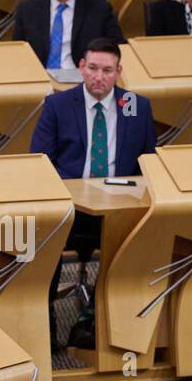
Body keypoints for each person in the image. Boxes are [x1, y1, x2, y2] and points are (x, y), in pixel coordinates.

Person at [30, 38, 155, 345]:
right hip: (71, 210)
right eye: (93, 68)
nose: (99, 77)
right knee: (41, 237)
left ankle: (94, 317)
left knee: (150, 239)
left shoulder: (135, 106)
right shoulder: (58, 105)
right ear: (82, 68)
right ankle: (46, 317)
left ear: (119, 72)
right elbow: (41, 162)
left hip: (119, 208)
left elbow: (149, 164)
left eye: (108, 70)